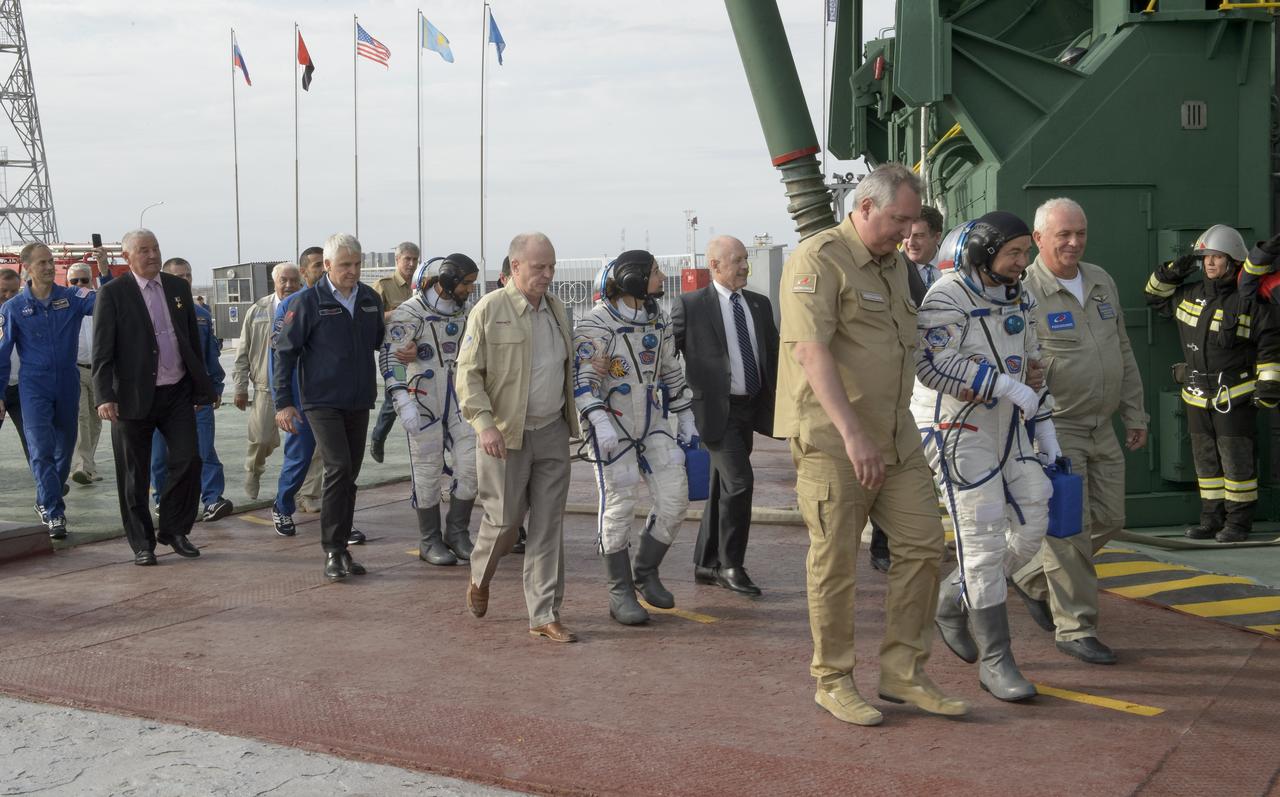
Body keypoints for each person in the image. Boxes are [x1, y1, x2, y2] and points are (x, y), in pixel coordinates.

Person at [776, 163, 969, 726]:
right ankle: (832, 679)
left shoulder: (894, 267)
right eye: (897, 219)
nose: (908, 232)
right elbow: (811, 354)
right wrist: (854, 434)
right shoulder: (819, 259)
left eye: (913, 221)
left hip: (895, 434)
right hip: (836, 438)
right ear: (863, 207)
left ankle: (903, 672)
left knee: (924, 545)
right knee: (836, 561)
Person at [914, 211, 1060, 701]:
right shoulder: (947, 296)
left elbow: (1034, 363)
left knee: (1035, 515)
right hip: (959, 429)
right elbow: (933, 364)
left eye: (1025, 252)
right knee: (981, 542)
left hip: (1012, 426)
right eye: (1014, 252)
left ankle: (952, 598)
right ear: (982, 252)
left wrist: (1046, 425)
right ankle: (996, 660)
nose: (1024, 261)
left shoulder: (1021, 295)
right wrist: (1002, 384)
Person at [1008, 198, 1147, 666]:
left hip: (1101, 424)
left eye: (1080, 233)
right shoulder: (1023, 291)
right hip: (1055, 428)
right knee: (1070, 531)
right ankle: (1075, 628)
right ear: (1039, 237)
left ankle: (1028, 577)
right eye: (1063, 234)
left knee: (1110, 518)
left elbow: (1122, 350)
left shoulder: (1101, 280)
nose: (1073, 242)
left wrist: (1136, 413)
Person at [458, 232, 580, 643]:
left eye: (551, 267)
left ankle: (544, 613)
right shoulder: (489, 311)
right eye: (539, 267)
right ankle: (480, 577)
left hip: (551, 431)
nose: (547, 275)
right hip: (504, 437)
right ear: (515, 268)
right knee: (506, 521)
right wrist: (484, 424)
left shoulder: (558, 311)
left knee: (548, 526)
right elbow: (468, 374)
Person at [575, 250, 693, 624]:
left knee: (676, 498)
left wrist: (685, 413)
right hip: (614, 427)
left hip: (653, 422)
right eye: (656, 271)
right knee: (619, 506)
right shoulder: (595, 326)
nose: (662, 276)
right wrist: (600, 423)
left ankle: (646, 570)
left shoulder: (657, 320)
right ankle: (620, 591)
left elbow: (671, 369)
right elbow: (583, 382)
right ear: (632, 278)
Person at [1144, 225, 1280, 543]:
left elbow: (1270, 345)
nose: (1210, 264)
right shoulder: (1189, 294)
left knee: (1237, 463)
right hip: (1196, 396)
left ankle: (1238, 524)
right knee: (1205, 464)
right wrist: (1174, 271)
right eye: (1205, 257)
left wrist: (1269, 385)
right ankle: (1210, 520)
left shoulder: (1250, 301)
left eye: (1217, 257)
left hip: (1234, 395)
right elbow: (1153, 295)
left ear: (1234, 261)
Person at [92, 229, 213, 565]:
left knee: (190, 459)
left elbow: (190, 340)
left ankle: (174, 529)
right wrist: (104, 395)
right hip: (131, 397)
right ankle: (142, 543)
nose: (151, 255)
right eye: (143, 250)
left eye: (155, 248)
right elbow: (102, 350)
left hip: (176, 391)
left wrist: (201, 385)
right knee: (134, 475)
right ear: (127, 258)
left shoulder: (177, 288)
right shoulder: (113, 293)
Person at [274, 233, 385, 580]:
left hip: (359, 399)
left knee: (349, 473)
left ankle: (343, 547)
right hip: (320, 401)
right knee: (337, 467)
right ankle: (333, 551)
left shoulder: (369, 299)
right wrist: (284, 403)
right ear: (326, 266)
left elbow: (381, 340)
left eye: (357, 265)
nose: (353, 272)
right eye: (345, 265)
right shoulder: (306, 302)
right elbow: (284, 353)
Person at [672, 235, 778, 596]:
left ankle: (706, 563)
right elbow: (665, 357)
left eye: (746, 259)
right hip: (716, 412)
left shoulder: (760, 305)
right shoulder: (690, 305)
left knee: (722, 485)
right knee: (740, 483)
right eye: (738, 260)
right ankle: (731, 564)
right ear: (714, 265)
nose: (745, 266)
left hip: (751, 408)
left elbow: (774, 357)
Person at [379, 253, 481, 566]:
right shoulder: (410, 313)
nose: (469, 290)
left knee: (472, 464)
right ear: (448, 280)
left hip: (460, 397)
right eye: (465, 284)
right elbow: (391, 358)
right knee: (427, 468)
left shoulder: (467, 314)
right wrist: (401, 399)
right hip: (422, 396)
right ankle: (429, 539)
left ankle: (457, 532)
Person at [0, 244, 96, 539]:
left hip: (67, 381)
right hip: (34, 385)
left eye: (51, 262)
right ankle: (54, 512)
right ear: (26, 267)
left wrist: (103, 273)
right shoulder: (13, 308)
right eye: (42, 262)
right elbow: (3, 354)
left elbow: (103, 303)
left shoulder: (71, 297)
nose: (48, 267)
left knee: (64, 450)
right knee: (40, 448)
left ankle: (46, 498)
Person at [868, 205, 943, 573]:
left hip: (943, 387)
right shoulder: (895, 271)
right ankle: (882, 545)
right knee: (894, 463)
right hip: (903, 386)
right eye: (908, 235)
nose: (910, 242)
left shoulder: (952, 275)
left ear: (936, 238)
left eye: (920, 236)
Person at [149, 257, 233, 523]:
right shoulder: (153, 310)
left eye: (188, 276)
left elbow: (211, 356)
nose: (184, 281)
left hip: (197, 397)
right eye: (178, 276)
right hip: (162, 396)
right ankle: (164, 499)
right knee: (160, 454)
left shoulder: (202, 316)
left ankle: (212, 499)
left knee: (204, 449)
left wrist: (215, 387)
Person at [269, 248, 331, 535]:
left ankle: (340, 518)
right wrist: (283, 402)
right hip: (300, 395)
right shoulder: (291, 306)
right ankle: (282, 507)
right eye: (317, 265)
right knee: (300, 457)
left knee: (339, 461)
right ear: (305, 272)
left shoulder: (343, 302)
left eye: (325, 264)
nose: (322, 270)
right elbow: (279, 357)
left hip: (334, 396)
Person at [232, 262, 300, 499]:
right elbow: (243, 352)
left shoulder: (307, 306)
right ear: (275, 282)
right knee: (261, 439)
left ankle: (309, 494)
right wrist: (240, 387)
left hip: (300, 386)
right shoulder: (258, 310)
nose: (289, 285)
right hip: (265, 387)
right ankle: (253, 470)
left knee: (309, 447)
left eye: (294, 280)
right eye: (284, 280)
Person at [369, 242, 421, 463]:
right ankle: (378, 438)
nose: (410, 263)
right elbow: (370, 318)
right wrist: (398, 313)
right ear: (397, 260)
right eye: (407, 259)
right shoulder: (383, 286)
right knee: (395, 396)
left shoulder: (421, 286)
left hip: (419, 350)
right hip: (394, 352)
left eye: (414, 259)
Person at [69, 261, 104, 485]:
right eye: (75, 281)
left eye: (84, 280)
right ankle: (81, 466)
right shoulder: (65, 305)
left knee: (96, 421)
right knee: (81, 418)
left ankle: (88, 466)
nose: (80, 284)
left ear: (92, 281)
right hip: (76, 369)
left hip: (100, 371)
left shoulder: (100, 302)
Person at [0, 268, 31, 462]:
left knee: (33, 438)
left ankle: (47, 482)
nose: (8, 296)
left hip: (22, 387)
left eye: (13, 291)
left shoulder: (25, 311)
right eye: (3, 291)